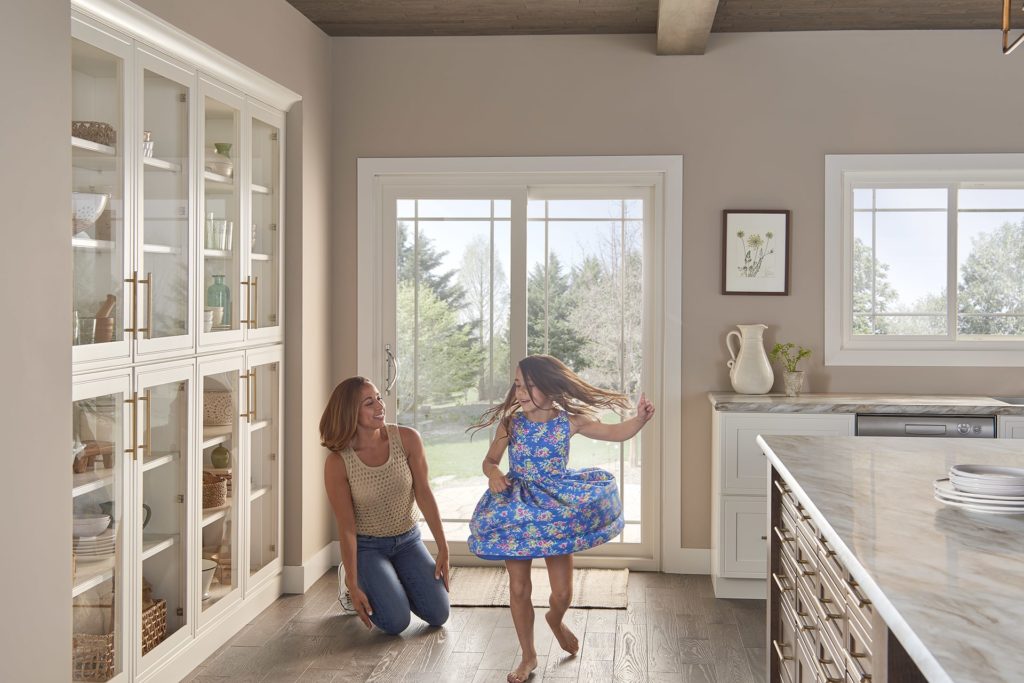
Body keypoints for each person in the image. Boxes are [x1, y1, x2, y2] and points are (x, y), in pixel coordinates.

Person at [467, 355, 655, 683]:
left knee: (563, 593)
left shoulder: (568, 422)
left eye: (529, 386)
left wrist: (639, 421)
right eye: (517, 386)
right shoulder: (511, 423)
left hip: (556, 510)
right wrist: (494, 472)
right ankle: (528, 656)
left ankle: (555, 619)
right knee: (518, 586)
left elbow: (614, 432)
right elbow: (489, 460)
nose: (521, 392)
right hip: (518, 511)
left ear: (551, 387)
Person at [320, 376, 450, 635]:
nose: (380, 406)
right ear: (350, 412)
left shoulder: (408, 439)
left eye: (379, 397)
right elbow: (346, 528)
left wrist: (443, 547)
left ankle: (391, 580)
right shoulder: (338, 463)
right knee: (395, 622)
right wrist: (353, 581)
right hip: (367, 547)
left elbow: (424, 493)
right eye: (369, 402)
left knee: (439, 614)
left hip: (408, 541)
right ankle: (368, 582)